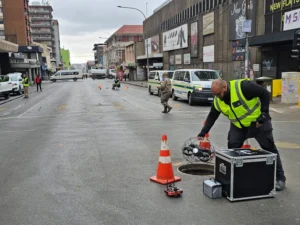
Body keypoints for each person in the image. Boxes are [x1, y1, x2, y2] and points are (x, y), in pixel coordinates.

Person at [197, 78, 286, 191]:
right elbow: (212, 116)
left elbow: (264, 93)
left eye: (218, 94)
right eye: (215, 94)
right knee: (233, 147)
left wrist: (264, 113)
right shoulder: (218, 100)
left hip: (258, 123)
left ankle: (280, 178)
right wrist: (203, 131)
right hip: (238, 126)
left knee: (269, 148)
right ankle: (236, 177)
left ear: (225, 87)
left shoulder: (243, 87)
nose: (217, 97)